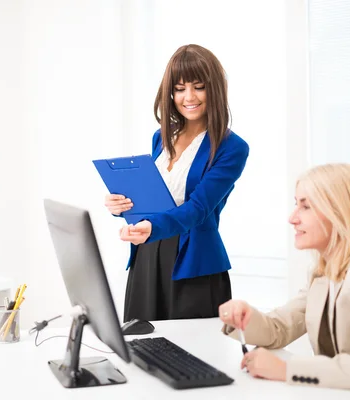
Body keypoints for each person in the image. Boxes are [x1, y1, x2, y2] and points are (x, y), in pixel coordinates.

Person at [219, 163, 350, 400]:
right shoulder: (324, 274)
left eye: (306, 206)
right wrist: (244, 317)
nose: (292, 218)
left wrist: (286, 369)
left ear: (341, 213)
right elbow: (279, 329)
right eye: (296, 204)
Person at [104, 44, 249, 322]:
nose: (189, 97)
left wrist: (152, 226)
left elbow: (197, 209)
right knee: (141, 348)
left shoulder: (232, 147)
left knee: (191, 357)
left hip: (193, 265)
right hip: (146, 257)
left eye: (199, 87)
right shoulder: (160, 138)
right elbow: (152, 198)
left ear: (215, 89)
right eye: (180, 88)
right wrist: (119, 206)